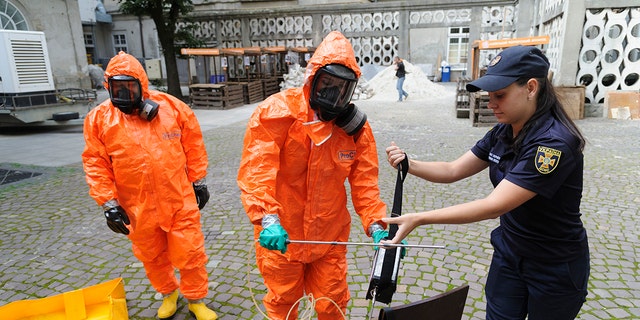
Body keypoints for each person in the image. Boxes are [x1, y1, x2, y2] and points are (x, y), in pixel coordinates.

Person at [383, 45, 589, 320]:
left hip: (553, 266)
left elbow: (494, 206)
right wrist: (410, 163)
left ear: (530, 88)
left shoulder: (552, 144)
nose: (491, 103)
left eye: (500, 95)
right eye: (490, 94)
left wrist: (420, 218)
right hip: (510, 254)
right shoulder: (504, 131)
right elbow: (453, 169)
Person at [237, 31, 390, 319]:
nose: (332, 94)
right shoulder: (277, 113)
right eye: (327, 85)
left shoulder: (354, 131)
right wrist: (267, 218)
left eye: (342, 89)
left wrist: (377, 226)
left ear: (351, 91)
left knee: (331, 304)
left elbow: (365, 184)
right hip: (282, 237)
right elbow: (257, 171)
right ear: (313, 79)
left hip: (329, 239)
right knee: (283, 303)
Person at [82, 51, 218, 320]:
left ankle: (196, 300)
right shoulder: (99, 120)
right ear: (107, 86)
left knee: (190, 252)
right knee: (152, 255)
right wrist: (108, 204)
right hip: (136, 204)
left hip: (178, 197)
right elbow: (95, 163)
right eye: (117, 87)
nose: (123, 94)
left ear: (141, 86)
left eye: (129, 87)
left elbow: (193, 145)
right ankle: (168, 294)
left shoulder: (172, 108)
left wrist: (198, 180)